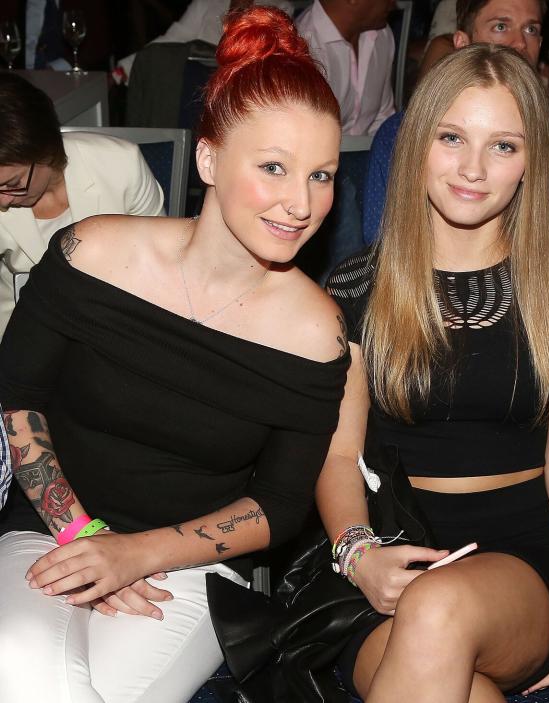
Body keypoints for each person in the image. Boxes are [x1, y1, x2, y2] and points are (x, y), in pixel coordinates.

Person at [0, 7, 349, 701]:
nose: (300, 203)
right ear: (209, 157)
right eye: (274, 167)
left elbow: (279, 505)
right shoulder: (92, 251)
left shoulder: (316, 332)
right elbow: (18, 395)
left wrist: (135, 553)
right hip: (49, 530)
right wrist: (83, 534)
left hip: (188, 564)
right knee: (21, 664)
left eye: (322, 175)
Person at [325, 43, 549, 703]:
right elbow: (337, 455)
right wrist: (356, 552)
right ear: (416, 142)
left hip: (520, 560)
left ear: (530, 164)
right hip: (387, 553)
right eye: (452, 137)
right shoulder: (356, 285)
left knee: (438, 609)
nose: (473, 168)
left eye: (503, 146)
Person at [363, 0, 549, 245]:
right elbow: (382, 246)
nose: (521, 43)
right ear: (462, 42)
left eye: (530, 30)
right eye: (501, 26)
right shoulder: (399, 135)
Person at [0, 73, 164, 335]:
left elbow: (162, 258)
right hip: (24, 327)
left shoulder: (121, 165)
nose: (3, 200)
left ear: (44, 149)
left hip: (120, 321)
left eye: (12, 183)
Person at [114, 0, 295, 84]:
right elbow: (169, 41)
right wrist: (119, 72)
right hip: (196, 97)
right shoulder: (205, 4)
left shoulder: (279, 7)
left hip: (250, 93)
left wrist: (240, 8)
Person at [297, 0, 397, 136]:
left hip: (370, 152)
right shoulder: (303, 47)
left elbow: (383, 119)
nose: (394, 3)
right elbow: (307, 139)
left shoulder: (382, 35)